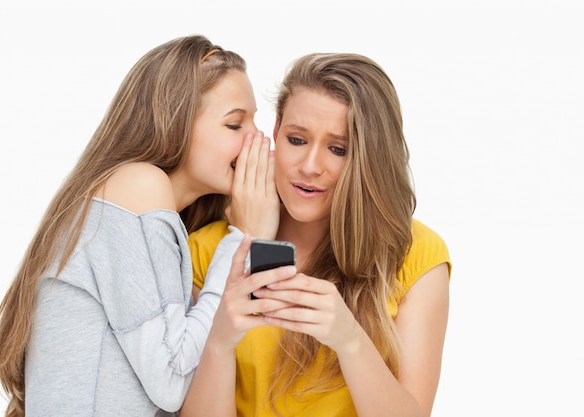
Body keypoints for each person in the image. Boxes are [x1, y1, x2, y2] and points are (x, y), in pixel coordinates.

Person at [0, 34, 274, 417]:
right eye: (235, 124)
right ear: (176, 121)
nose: (258, 138)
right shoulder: (135, 186)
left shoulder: (159, 218)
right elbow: (173, 381)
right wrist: (245, 238)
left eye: (256, 121)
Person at [181, 52, 452, 417]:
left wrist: (349, 339)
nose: (310, 167)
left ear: (369, 159)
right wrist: (218, 342)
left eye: (337, 149)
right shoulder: (206, 251)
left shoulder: (417, 255)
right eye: (296, 140)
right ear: (275, 132)